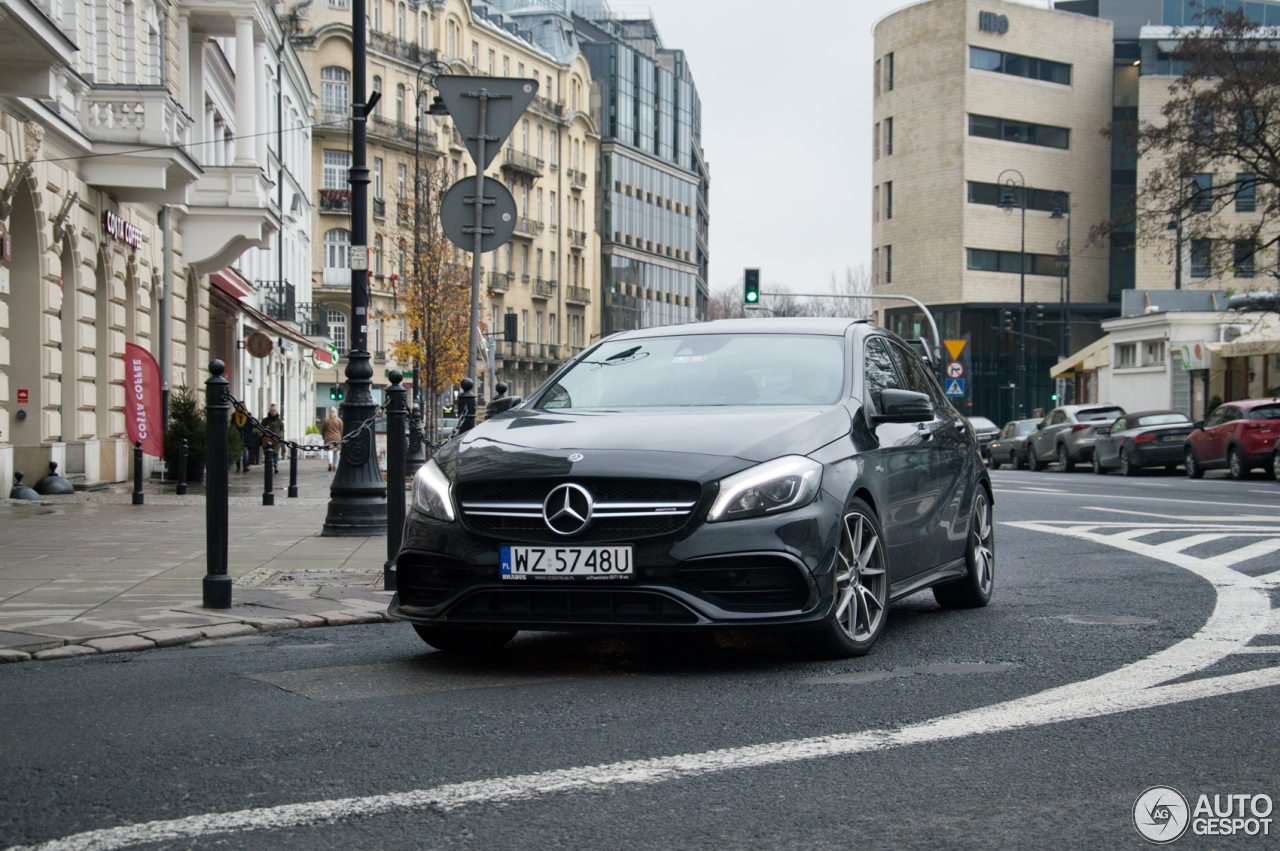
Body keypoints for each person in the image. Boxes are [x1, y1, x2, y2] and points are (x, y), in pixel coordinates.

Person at [260, 404, 284, 474]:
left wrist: (279, 435)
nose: (273, 412)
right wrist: (265, 428)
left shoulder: (279, 421)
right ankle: (269, 465)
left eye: (274, 411)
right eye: (272, 411)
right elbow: (260, 428)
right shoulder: (265, 420)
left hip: (276, 439)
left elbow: (282, 429)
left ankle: (275, 465)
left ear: (276, 412)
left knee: (275, 453)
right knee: (268, 453)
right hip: (267, 439)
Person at [321, 406, 343, 472]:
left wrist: (323, 436)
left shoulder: (326, 420)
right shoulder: (339, 421)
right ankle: (335, 465)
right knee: (337, 451)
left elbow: (323, 430)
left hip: (328, 437)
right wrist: (341, 437)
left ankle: (330, 463)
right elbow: (341, 430)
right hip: (337, 437)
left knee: (329, 450)